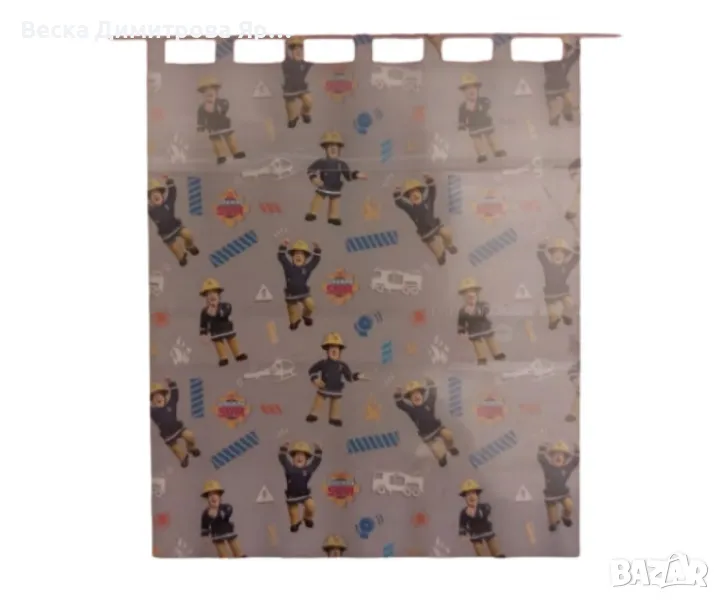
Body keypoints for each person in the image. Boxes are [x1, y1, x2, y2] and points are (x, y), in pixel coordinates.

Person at [393, 175, 457, 266]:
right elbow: (400, 203)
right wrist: (397, 192)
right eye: (411, 194)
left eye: (416, 192)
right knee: (436, 250)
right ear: (409, 199)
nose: (415, 195)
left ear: (421, 194)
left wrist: (430, 180)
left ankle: (449, 245)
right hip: (426, 233)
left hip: (435, 225)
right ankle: (440, 255)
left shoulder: (428, 202)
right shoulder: (411, 209)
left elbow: (432, 192)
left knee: (447, 233)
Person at [306, 131, 367, 226]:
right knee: (318, 198)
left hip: (335, 186)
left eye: (335, 146)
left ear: (339, 149)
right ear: (325, 148)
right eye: (330, 146)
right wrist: (314, 178)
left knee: (335, 202)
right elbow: (311, 170)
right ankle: (313, 213)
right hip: (323, 185)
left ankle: (333, 217)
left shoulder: (341, 164)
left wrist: (356, 175)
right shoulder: (322, 162)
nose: (333, 149)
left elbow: (348, 176)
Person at [394, 378, 459, 467]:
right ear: (410, 400)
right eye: (413, 396)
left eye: (418, 394)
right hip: (428, 436)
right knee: (438, 451)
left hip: (438, 428)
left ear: (422, 395)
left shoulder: (429, 403)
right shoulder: (412, 410)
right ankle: (442, 458)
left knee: (448, 434)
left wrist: (430, 382)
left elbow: (432, 394)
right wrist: (398, 394)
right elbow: (401, 405)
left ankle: (450, 447)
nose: (416, 397)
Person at [307, 333, 367, 427]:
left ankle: (334, 418)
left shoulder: (342, 365)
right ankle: (313, 414)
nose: (334, 351)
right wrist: (315, 379)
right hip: (324, 387)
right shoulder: (323, 363)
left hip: (336, 389)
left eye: (337, 348)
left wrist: (356, 376)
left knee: (336, 404)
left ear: (340, 351)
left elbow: (349, 377)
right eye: (332, 348)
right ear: (327, 350)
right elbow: (312, 370)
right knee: (319, 400)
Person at [148, 177, 199, 267]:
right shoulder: (151, 210)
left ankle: (189, 246)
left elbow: (172, 194)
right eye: (152, 195)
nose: (155, 195)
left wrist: (170, 184)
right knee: (175, 249)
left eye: (157, 193)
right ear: (150, 201)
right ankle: (181, 257)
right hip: (166, 234)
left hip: (176, 226)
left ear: (162, 196)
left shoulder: (168, 203)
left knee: (188, 234)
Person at [150, 379, 200, 468]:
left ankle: (191, 448)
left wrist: (172, 384)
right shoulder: (152, 411)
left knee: (190, 436)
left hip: (177, 428)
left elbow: (175, 395)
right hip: (167, 434)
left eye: (160, 396)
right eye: (155, 398)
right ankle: (183, 458)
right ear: (152, 401)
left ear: (164, 397)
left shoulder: (171, 404)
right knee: (175, 449)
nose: (158, 398)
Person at [457, 73, 506, 163]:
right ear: (464, 92)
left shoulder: (483, 100)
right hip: (473, 125)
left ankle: (496, 150)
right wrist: (461, 125)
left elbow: (488, 104)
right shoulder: (463, 106)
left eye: (473, 88)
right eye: (468, 89)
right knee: (477, 140)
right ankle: (481, 154)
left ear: (477, 90)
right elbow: (462, 116)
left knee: (491, 137)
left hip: (485, 122)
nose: (471, 91)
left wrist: (481, 106)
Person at [196, 76, 246, 165]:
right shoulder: (202, 108)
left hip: (224, 124)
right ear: (203, 95)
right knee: (217, 142)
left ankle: (235, 152)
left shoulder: (221, 102)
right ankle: (221, 156)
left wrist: (221, 108)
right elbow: (201, 117)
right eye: (206, 95)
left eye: (211, 95)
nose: (209, 98)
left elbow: (226, 106)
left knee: (230, 138)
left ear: (216, 93)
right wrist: (201, 126)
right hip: (212, 127)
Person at [198, 278, 248, 366]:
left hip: (227, 328)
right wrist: (203, 333)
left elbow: (225, 312)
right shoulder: (205, 311)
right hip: (216, 331)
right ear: (206, 297)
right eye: (209, 294)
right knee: (219, 344)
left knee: (232, 340)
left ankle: (237, 354)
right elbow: (203, 323)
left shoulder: (225, 305)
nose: (212, 296)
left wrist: (216, 310)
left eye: (214, 293)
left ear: (218, 295)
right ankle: (223, 357)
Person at [457, 277, 506, 365]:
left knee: (491, 341)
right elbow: (461, 321)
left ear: (477, 294)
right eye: (467, 294)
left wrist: (476, 310)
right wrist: (461, 330)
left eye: (472, 294)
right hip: (474, 331)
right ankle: (481, 358)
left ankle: (497, 354)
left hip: (485, 328)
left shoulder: (482, 305)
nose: (470, 297)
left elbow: (486, 310)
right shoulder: (463, 310)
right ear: (464, 297)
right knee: (478, 345)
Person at [278, 441, 322, 532]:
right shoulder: (289, 468)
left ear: (306, 459)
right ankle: (295, 523)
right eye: (297, 455)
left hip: (304, 495)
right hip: (292, 496)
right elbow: (283, 459)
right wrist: (283, 449)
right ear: (293, 458)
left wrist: (318, 451)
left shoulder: (308, 469)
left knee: (311, 506)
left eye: (302, 456)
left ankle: (307, 518)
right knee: (293, 513)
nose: (299, 457)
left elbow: (316, 462)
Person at [277, 239, 321, 330]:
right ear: (292, 258)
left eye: (301, 254)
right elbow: (281, 257)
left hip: (303, 292)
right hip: (291, 294)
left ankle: (306, 316)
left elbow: (315, 261)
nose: (298, 256)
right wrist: (283, 246)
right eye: (296, 254)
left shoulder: (307, 268)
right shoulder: (289, 267)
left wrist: (317, 249)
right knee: (293, 313)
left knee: (310, 305)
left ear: (305, 258)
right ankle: (295, 321)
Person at [536, 238, 580, 330]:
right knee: (553, 315)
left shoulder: (566, 267)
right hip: (551, 295)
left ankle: (567, 316)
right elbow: (541, 257)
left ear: (564, 257)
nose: (558, 255)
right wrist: (541, 246)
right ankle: (554, 320)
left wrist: (577, 248)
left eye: (561, 254)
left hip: (563, 292)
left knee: (569, 303)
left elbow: (574, 260)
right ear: (551, 256)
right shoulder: (548, 266)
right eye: (555, 254)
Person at [537, 442, 580, 531]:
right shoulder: (548, 467)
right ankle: (553, 522)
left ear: (565, 460)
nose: (558, 457)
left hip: (563, 493)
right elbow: (542, 459)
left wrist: (577, 452)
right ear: (551, 458)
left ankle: (565, 517)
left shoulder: (566, 468)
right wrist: (542, 449)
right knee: (552, 521)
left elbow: (574, 462)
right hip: (550, 496)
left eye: (561, 456)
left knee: (569, 506)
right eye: (555, 455)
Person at [458, 479, 506, 557]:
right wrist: (462, 533)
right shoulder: (464, 512)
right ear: (465, 497)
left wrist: (475, 511)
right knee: (483, 555)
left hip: (489, 535)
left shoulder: (484, 506)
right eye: (468, 494)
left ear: (477, 495)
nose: (471, 496)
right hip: (476, 538)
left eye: (473, 493)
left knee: (497, 552)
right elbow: (462, 524)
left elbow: (484, 514)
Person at [200, 480, 247, 557]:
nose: (213, 497)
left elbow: (229, 510)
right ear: (207, 498)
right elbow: (204, 525)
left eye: (215, 494)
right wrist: (205, 535)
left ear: (220, 497)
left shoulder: (224, 507)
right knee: (223, 554)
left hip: (229, 532)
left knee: (237, 550)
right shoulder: (206, 513)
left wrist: (220, 513)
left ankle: (240, 557)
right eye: (210, 495)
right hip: (217, 535)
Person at [543, 37, 580, 127]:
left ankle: (567, 114)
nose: (565, 53)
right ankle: (555, 118)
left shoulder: (565, 62)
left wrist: (578, 46)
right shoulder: (550, 61)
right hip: (552, 90)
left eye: (566, 51)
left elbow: (574, 57)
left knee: (569, 100)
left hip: (563, 88)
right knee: (555, 107)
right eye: (564, 51)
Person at [282, 37, 313, 128]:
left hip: (301, 86)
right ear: (291, 52)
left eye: (300, 50)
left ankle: (304, 113)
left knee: (309, 102)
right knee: (290, 105)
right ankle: (292, 118)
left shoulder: (305, 63)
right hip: (290, 87)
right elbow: (283, 52)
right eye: (295, 50)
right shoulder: (287, 61)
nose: (298, 52)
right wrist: (284, 42)